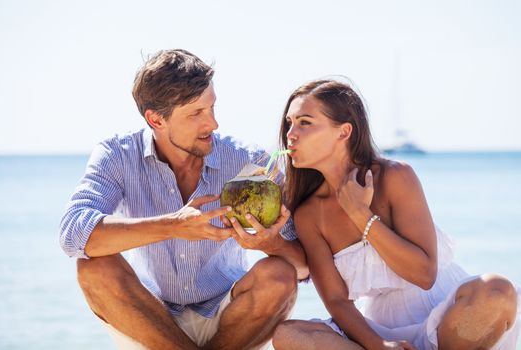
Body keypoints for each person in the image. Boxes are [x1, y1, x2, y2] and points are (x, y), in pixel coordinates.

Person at [59, 49, 308, 350]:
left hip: (231, 316)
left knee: (280, 275)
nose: (213, 124)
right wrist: (172, 226)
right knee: (93, 267)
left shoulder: (250, 161)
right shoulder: (117, 155)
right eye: (196, 114)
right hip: (149, 318)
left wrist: (271, 244)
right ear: (156, 119)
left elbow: (304, 266)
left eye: (212, 108)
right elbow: (73, 235)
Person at [271, 79, 520, 350]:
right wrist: (380, 345)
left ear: (343, 132)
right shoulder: (309, 214)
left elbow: (424, 275)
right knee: (289, 334)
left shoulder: (395, 176)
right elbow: (336, 301)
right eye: (289, 123)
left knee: (497, 290)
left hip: (451, 319)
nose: (290, 134)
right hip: (378, 327)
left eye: (305, 122)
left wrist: (359, 214)